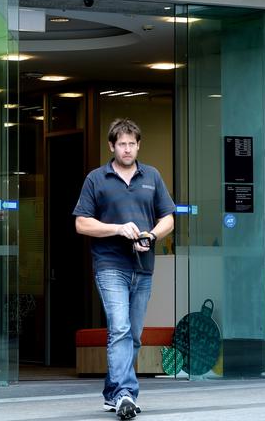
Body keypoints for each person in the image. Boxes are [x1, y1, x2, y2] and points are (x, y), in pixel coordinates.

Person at [73, 118, 175, 420]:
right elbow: (81, 223)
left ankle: (111, 391)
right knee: (119, 328)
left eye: (132, 143)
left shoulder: (152, 177)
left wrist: (151, 235)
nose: (127, 149)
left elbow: (168, 218)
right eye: (122, 144)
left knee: (134, 336)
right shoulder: (96, 179)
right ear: (111, 146)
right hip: (110, 265)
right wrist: (118, 229)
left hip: (143, 266)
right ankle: (125, 394)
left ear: (138, 145)